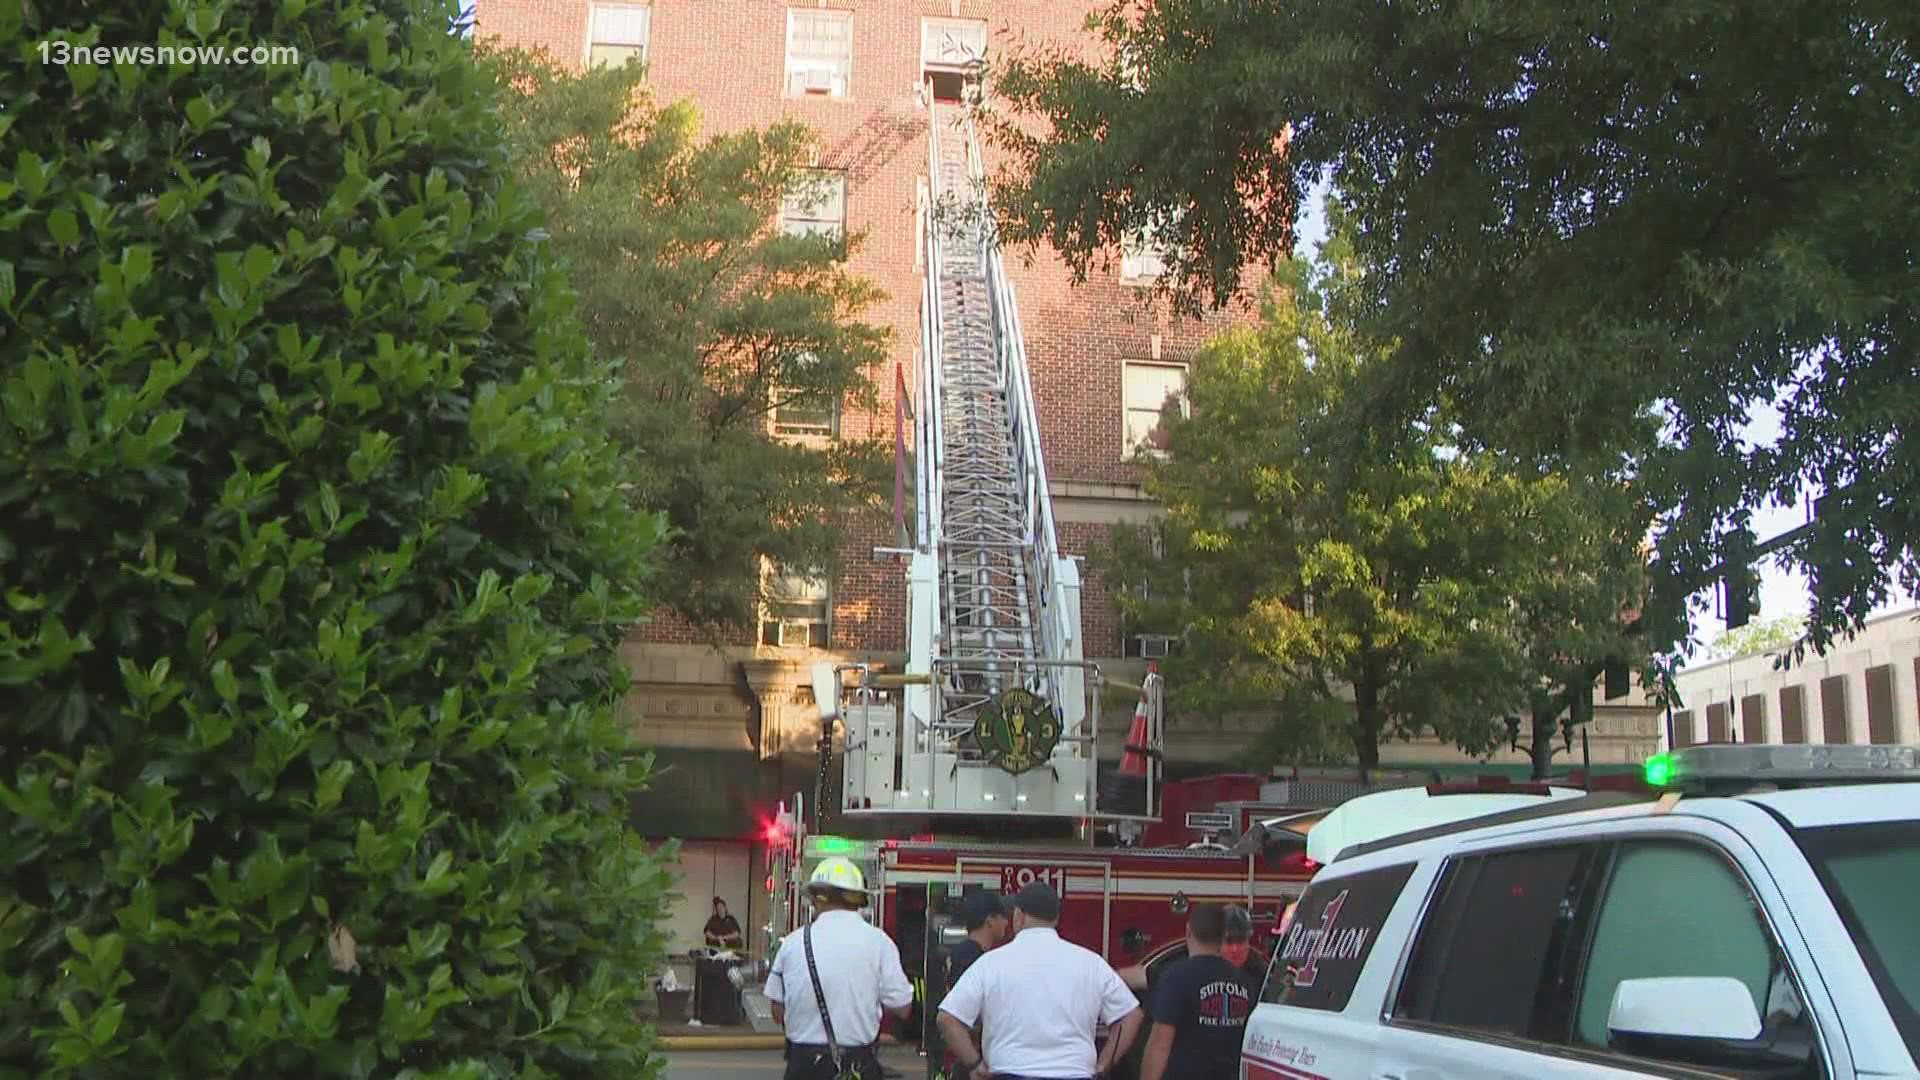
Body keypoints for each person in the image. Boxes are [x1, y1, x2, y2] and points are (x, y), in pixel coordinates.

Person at [937, 882, 1144, 1080]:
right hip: (1075, 1073)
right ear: (1056, 919)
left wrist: (975, 1065)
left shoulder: (991, 963)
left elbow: (947, 1018)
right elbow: (1131, 1015)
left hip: (1009, 1072)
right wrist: (1103, 1064)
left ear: (1019, 916)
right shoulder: (1091, 964)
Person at [767, 857, 915, 1080]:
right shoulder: (879, 943)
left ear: (817, 898)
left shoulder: (793, 943)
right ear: (858, 899)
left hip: (803, 1067)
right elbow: (903, 1006)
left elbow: (777, 1012)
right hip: (857, 1066)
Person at [1138, 904, 1257, 1080]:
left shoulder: (1175, 978)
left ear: (1188, 931)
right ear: (1222, 935)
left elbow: (1159, 1045)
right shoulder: (1245, 983)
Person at [946, 891, 1010, 988]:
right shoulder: (974, 960)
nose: (1006, 922)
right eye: (1003, 917)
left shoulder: (962, 953)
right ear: (989, 921)